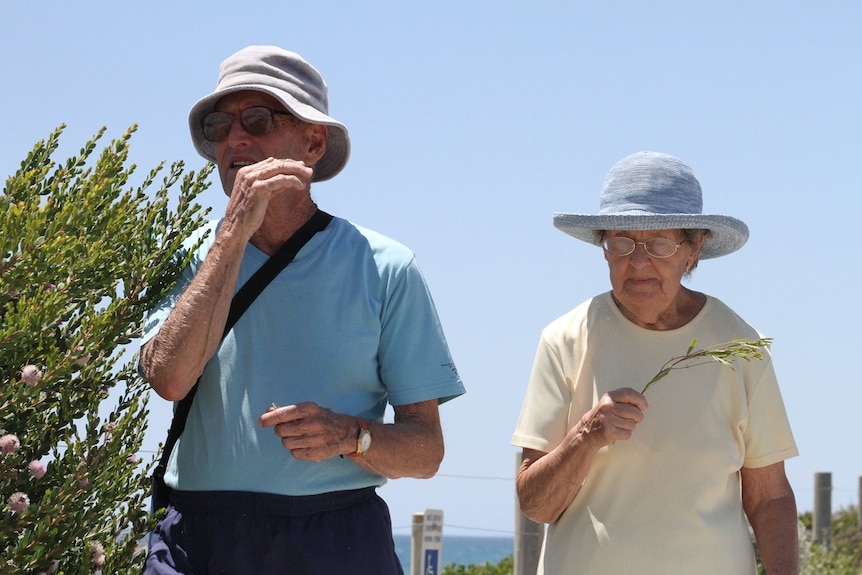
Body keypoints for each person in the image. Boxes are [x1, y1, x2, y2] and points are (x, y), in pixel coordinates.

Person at [140, 45, 465, 575]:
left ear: (312, 142)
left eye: (259, 120)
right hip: (197, 539)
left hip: (334, 540)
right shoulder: (187, 255)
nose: (236, 139)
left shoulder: (386, 267)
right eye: (221, 125)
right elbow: (170, 379)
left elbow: (426, 451)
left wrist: (350, 436)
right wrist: (232, 238)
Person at [512, 151, 799, 574]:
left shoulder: (740, 345)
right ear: (603, 248)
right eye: (622, 243)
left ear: (693, 249)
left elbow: (769, 497)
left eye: (659, 243)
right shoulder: (564, 340)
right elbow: (535, 504)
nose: (639, 262)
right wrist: (585, 437)